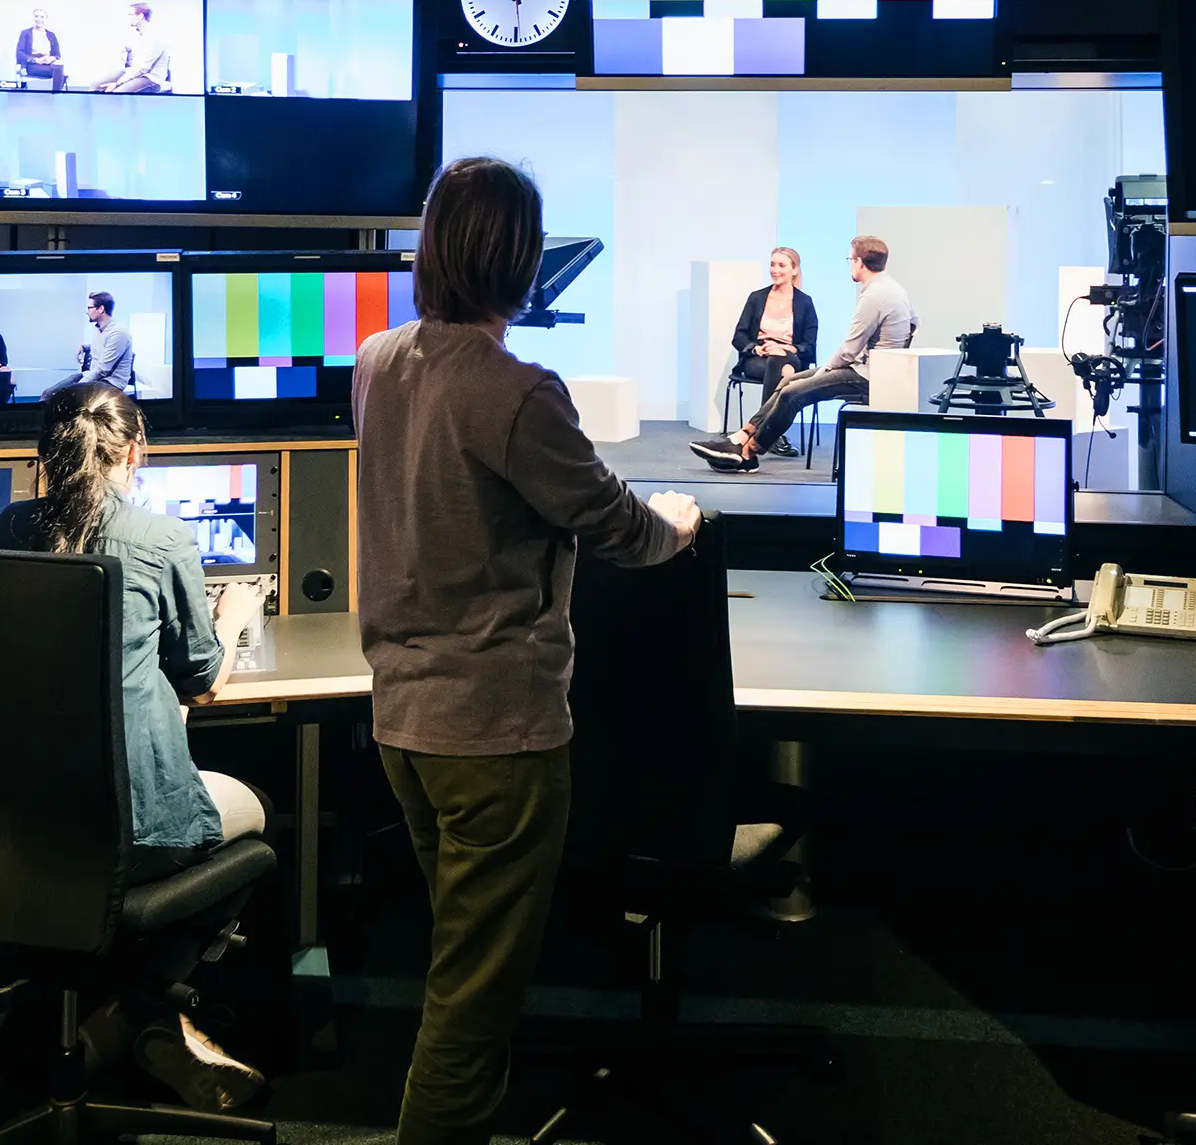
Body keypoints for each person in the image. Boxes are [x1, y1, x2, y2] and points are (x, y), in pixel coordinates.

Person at [353, 156, 704, 1145]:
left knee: (459, 973)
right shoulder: (517, 390)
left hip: (404, 728)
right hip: (493, 739)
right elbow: (615, 525)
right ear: (522, 259)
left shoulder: (376, 360)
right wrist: (675, 519)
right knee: (469, 1007)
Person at [0, 383, 273, 1112]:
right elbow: (202, 680)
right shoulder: (160, 538)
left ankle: (117, 1011)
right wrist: (235, 617)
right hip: (133, 828)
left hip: (24, 826)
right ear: (136, 452)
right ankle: (139, 1008)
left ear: (46, 457)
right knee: (259, 819)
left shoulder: (8, 529)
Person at [692, 234, 915, 471]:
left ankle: (749, 452)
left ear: (860, 262)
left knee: (792, 394)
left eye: (850, 259)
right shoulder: (892, 288)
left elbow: (849, 350)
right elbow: (913, 326)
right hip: (870, 368)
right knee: (788, 382)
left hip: (868, 375)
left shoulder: (873, 296)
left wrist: (825, 369)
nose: (850, 263)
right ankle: (740, 437)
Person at [728, 246, 818, 456]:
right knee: (785, 373)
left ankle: (759, 431)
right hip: (758, 359)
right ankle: (772, 434)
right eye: (772, 264)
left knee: (783, 362)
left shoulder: (805, 302)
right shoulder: (757, 298)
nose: (775, 270)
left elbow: (810, 345)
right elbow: (739, 336)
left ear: (794, 270)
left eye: (781, 265)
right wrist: (756, 348)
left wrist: (789, 347)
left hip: (790, 356)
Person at [54, 291, 137, 395]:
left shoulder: (118, 333)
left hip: (111, 383)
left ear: (101, 309)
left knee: (65, 396)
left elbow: (102, 371)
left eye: (89, 308)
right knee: (50, 393)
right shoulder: (98, 328)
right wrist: (84, 347)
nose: (87, 312)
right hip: (96, 377)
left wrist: (75, 388)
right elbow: (103, 344)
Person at [87, 3, 171, 94]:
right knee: (95, 85)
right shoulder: (138, 34)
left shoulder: (154, 36)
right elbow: (128, 48)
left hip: (150, 78)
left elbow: (141, 68)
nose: (129, 18)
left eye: (131, 15)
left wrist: (118, 83)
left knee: (117, 93)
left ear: (140, 16)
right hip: (134, 73)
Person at [16, 8, 65, 91]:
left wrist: (50, 59)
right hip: (31, 64)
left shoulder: (51, 35)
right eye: (36, 16)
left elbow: (57, 54)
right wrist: (35, 60)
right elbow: (19, 53)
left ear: (46, 19)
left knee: (60, 69)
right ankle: (57, 94)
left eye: (42, 17)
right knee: (60, 73)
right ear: (33, 18)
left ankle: (56, 93)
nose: (39, 19)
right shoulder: (25, 33)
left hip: (48, 63)